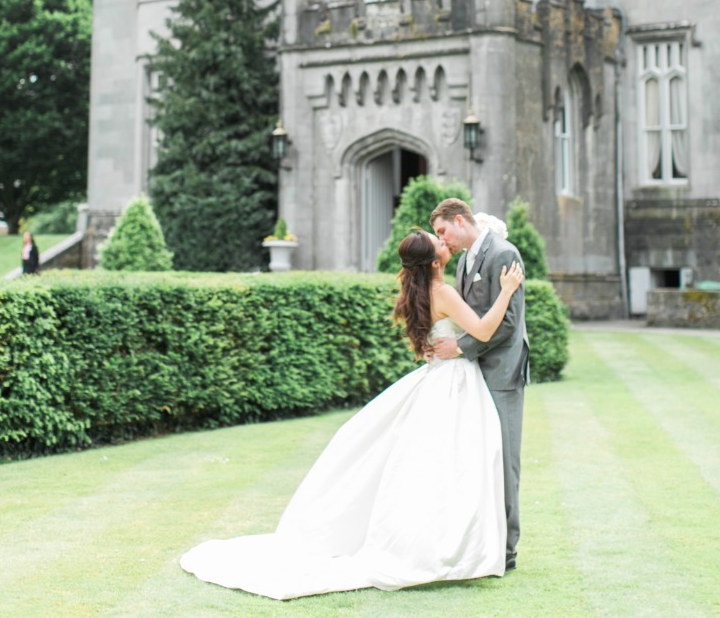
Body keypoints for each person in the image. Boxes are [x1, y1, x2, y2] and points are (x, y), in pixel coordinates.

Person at [180, 230, 523, 600]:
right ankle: (445, 544)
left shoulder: (419, 293)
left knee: (436, 464)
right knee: (455, 463)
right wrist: (506, 290)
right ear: (436, 261)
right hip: (455, 382)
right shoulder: (444, 292)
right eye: (438, 241)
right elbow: (485, 330)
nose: (445, 242)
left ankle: (446, 537)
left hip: (441, 378)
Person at [429, 199, 529, 572]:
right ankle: (479, 541)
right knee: (476, 460)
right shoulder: (462, 261)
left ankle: (506, 551)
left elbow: (508, 322)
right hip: (469, 375)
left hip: (501, 374)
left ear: (459, 220)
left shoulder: (504, 252)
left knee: (504, 461)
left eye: (443, 231)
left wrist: (460, 347)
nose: (443, 240)